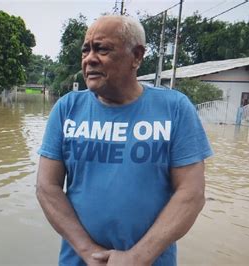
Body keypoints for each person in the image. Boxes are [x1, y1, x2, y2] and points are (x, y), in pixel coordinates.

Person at [36, 15, 213, 266]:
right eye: (86, 50)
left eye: (102, 49)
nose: (89, 58)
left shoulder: (175, 109)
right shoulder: (67, 109)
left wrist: (137, 258)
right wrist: (88, 251)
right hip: (79, 260)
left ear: (137, 56)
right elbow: (47, 187)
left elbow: (192, 193)